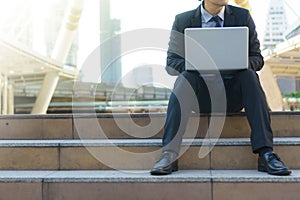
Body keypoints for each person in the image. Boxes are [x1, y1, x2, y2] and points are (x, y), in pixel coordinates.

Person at [150, 0, 291, 176]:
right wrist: (197, 64)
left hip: (232, 95)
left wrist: (239, 62)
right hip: (201, 98)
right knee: (185, 78)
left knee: (249, 75)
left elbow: (257, 59)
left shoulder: (242, 17)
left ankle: (266, 154)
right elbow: (171, 64)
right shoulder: (183, 20)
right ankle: (169, 154)